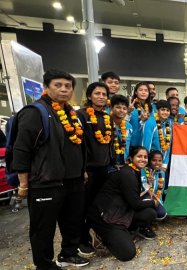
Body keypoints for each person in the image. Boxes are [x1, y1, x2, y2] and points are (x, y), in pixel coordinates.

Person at [11, 69, 89, 269]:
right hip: (46, 182)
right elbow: (22, 150)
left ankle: (68, 254)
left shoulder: (72, 113)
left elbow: (78, 145)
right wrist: (23, 184)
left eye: (68, 86)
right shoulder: (35, 112)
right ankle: (44, 265)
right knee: (43, 229)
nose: (64, 89)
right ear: (46, 87)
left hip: (74, 180)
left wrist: (83, 171)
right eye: (58, 85)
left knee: (73, 222)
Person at [87, 147, 159, 262]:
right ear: (131, 158)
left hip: (123, 210)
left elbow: (134, 197)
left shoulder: (135, 171)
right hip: (107, 217)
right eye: (139, 156)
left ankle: (123, 233)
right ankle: (99, 235)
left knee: (150, 213)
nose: (143, 159)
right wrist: (153, 202)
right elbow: (135, 203)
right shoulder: (127, 174)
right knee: (128, 253)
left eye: (145, 157)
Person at [76, 82, 115, 255]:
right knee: (83, 207)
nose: (101, 96)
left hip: (104, 169)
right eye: (97, 93)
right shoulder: (81, 115)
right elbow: (77, 145)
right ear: (89, 96)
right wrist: (81, 168)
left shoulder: (107, 117)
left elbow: (109, 144)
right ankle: (81, 239)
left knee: (98, 206)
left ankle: (95, 235)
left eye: (104, 94)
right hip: (88, 171)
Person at [129, 82, 159, 151]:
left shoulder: (151, 108)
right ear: (136, 92)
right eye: (141, 90)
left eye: (146, 90)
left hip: (146, 142)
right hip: (133, 143)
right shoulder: (131, 106)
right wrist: (128, 111)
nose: (143, 92)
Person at [140, 150, 168, 220]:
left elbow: (161, 191)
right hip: (143, 198)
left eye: (160, 160)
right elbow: (141, 190)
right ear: (149, 161)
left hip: (155, 198)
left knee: (162, 214)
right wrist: (148, 183)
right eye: (154, 160)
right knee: (149, 203)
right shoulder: (143, 171)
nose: (157, 163)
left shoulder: (162, 173)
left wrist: (160, 202)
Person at [110, 95, 133, 167]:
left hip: (124, 164)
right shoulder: (105, 123)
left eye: (124, 108)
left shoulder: (129, 126)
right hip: (109, 166)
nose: (121, 110)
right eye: (118, 107)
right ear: (111, 108)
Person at [154, 100, 173, 171]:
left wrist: (165, 164)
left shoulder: (169, 124)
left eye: (167, 110)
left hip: (164, 164)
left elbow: (169, 146)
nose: (165, 112)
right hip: (152, 163)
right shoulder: (151, 123)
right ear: (157, 111)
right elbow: (146, 145)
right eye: (162, 110)